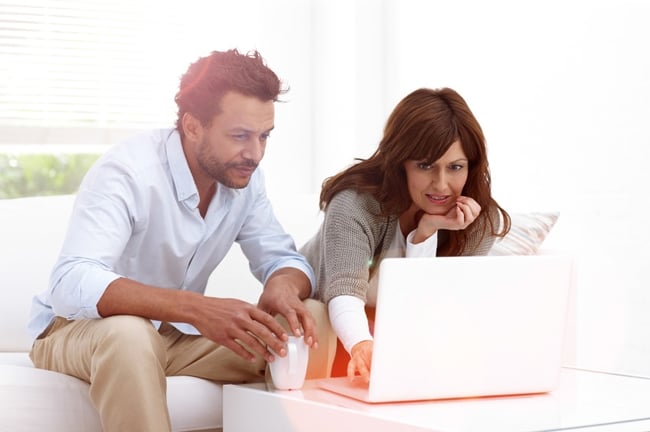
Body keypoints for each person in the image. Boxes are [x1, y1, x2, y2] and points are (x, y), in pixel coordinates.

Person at [27, 49, 335, 431]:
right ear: (192, 127)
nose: (254, 154)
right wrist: (195, 309)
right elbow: (71, 280)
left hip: (173, 338)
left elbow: (280, 258)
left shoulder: (243, 177)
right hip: (84, 331)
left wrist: (284, 286)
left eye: (264, 136)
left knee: (312, 322)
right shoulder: (127, 172)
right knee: (129, 334)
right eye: (239, 136)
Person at [300, 87, 511, 383]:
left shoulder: (479, 221)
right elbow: (343, 294)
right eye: (425, 166)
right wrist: (362, 345)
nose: (441, 184)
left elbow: (431, 309)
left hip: (397, 334)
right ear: (400, 163)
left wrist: (425, 234)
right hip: (330, 325)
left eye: (455, 167)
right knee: (316, 315)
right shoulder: (356, 203)